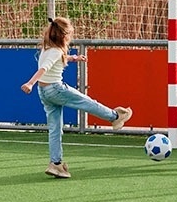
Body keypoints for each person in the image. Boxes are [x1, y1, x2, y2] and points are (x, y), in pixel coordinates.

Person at [20, 17, 133, 178]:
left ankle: (56, 164)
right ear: (64, 36)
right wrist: (30, 83)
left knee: (55, 128)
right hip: (55, 89)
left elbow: (55, 61)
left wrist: (74, 58)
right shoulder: (57, 51)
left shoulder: (48, 48)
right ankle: (115, 117)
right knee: (86, 102)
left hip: (44, 92)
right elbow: (44, 69)